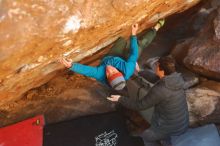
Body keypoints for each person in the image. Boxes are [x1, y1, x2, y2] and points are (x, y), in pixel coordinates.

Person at [107, 56, 198, 146]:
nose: (155, 67)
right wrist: (140, 72)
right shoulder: (178, 79)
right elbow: (156, 78)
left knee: (143, 138)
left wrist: (120, 98)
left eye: (156, 66)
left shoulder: (160, 90)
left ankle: (163, 141)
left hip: (169, 128)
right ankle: (164, 139)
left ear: (161, 70)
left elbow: (139, 105)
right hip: (183, 123)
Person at [59, 20, 165, 91]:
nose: (109, 70)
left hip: (110, 57)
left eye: (109, 75)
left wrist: (71, 65)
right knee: (138, 44)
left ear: (107, 79)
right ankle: (155, 29)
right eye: (114, 72)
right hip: (125, 60)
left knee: (122, 41)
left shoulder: (100, 74)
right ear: (120, 72)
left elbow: (87, 70)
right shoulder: (128, 68)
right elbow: (134, 53)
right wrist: (133, 34)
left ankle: (155, 28)